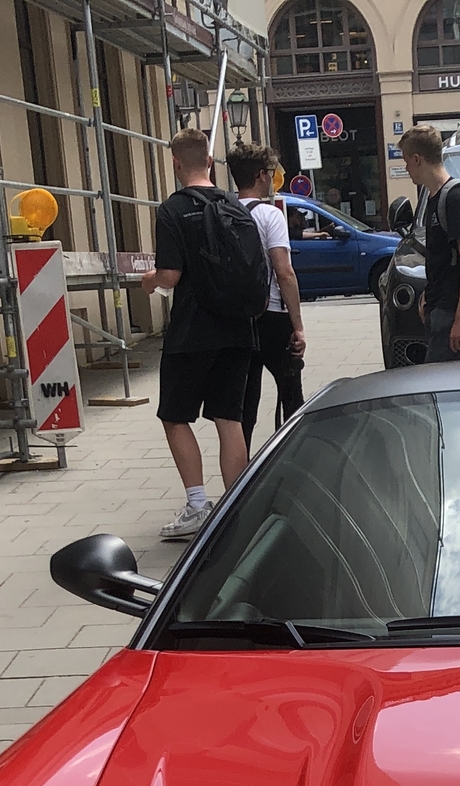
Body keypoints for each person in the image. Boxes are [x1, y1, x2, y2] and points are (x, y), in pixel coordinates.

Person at [141, 127, 257, 541]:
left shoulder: (172, 210)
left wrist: (151, 280)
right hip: (239, 328)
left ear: (176, 164)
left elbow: (171, 276)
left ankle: (197, 505)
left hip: (192, 331)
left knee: (174, 417)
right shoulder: (235, 204)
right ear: (210, 161)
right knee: (230, 418)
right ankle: (236, 508)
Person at [229, 140, 305, 446]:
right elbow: (284, 272)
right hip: (272, 315)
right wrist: (297, 325)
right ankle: (294, 461)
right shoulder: (270, 215)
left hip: (235, 320)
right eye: (270, 172)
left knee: (243, 406)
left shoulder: (224, 213)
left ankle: (239, 475)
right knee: (291, 397)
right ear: (261, 174)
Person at [399, 125, 460, 361]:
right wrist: (429, 294)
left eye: (407, 161)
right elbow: (442, 257)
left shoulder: (458, 198)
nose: (406, 169)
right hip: (442, 307)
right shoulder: (433, 198)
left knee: (443, 384)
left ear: (417, 159)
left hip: (453, 312)